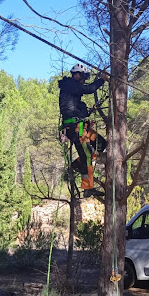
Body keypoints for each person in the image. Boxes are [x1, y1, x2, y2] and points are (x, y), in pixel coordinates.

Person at [58, 63, 108, 198]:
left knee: (101, 144)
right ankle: (87, 187)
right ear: (77, 74)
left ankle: (76, 165)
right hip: (74, 128)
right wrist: (102, 79)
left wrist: (85, 120)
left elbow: (74, 107)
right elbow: (89, 89)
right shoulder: (69, 84)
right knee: (86, 155)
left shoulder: (71, 88)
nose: (84, 80)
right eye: (83, 77)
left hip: (80, 126)